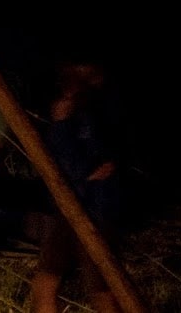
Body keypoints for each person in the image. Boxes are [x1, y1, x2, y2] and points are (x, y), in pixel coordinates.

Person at [28, 56, 125, 313]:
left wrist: (61, 124)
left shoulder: (99, 111)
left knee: (102, 292)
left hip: (96, 211)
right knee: (45, 285)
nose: (69, 79)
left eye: (80, 73)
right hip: (65, 210)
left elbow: (89, 166)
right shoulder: (70, 109)